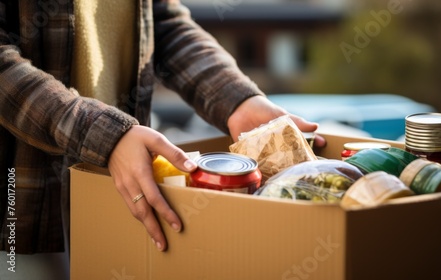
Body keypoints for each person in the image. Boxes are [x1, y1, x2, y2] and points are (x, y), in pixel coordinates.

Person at [0, 1, 325, 279]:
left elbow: (165, 25)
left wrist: (237, 99)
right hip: (19, 212)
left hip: (122, 190)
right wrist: (105, 135)